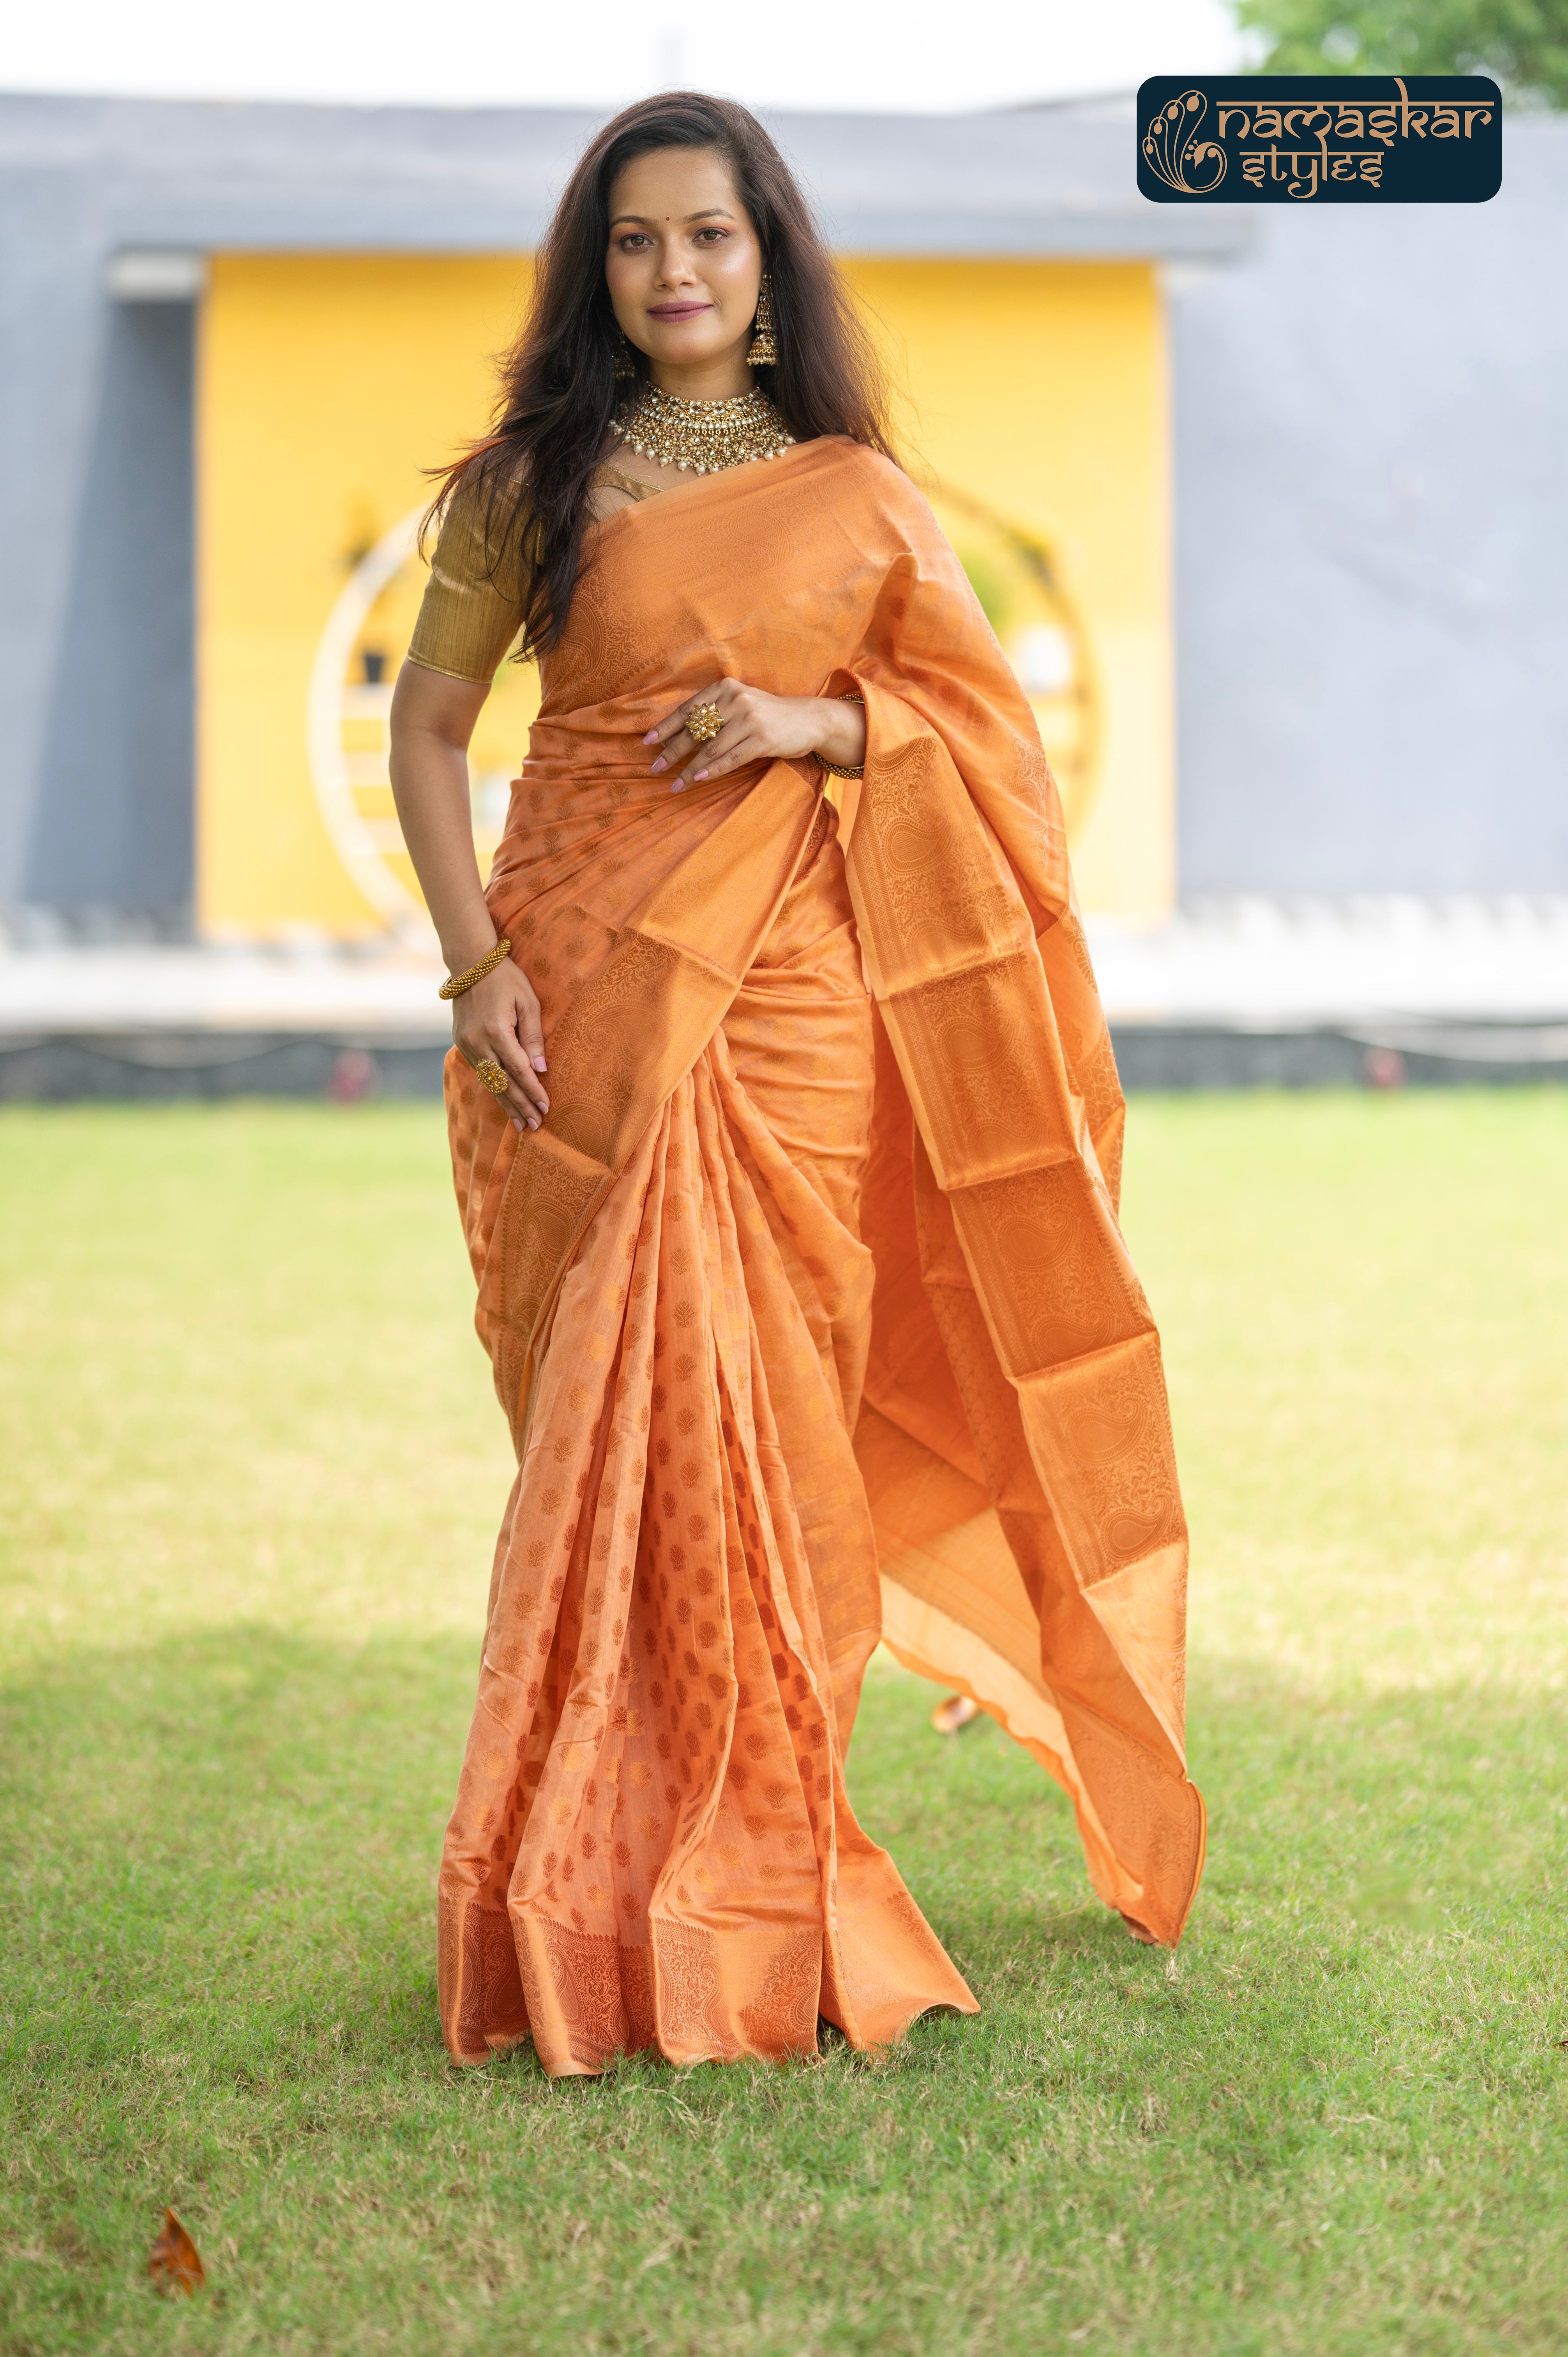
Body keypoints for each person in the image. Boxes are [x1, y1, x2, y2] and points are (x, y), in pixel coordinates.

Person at [389, 91, 1204, 2079]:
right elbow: (427, 732)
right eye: (639, 239)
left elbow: (987, 753)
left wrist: (817, 719)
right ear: (600, 268)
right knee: (614, 1436)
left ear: (769, 271)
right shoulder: (527, 487)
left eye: (713, 237)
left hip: (800, 1005)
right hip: (577, 979)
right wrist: (476, 965)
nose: (675, 270)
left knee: (783, 1443)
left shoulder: (857, 496)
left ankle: (755, 1854)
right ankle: (589, 1873)